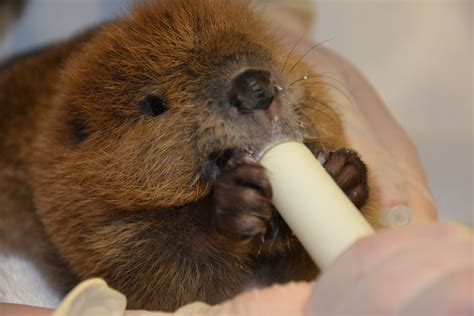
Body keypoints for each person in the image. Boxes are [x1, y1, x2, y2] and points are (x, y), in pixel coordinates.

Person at [1, 3, 472, 316]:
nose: (258, 95)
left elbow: (308, 263)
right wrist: (207, 228)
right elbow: (145, 288)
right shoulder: (78, 183)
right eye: (161, 107)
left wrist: (343, 192)